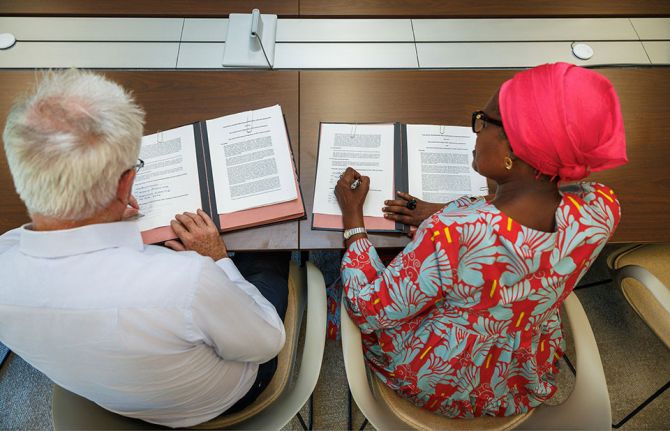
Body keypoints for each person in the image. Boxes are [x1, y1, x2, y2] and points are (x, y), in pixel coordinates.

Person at [335, 62, 627, 417]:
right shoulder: (602, 208)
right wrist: (456, 208)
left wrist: (353, 218)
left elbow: (369, 311)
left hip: (438, 375)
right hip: (518, 369)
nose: (475, 132)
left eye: (482, 122)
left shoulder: (454, 235)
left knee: (344, 289)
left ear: (514, 150)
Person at [0, 69, 288, 428]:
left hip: (114, 398)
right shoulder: (187, 281)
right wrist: (217, 258)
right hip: (219, 398)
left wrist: (106, 214)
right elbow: (266, 344)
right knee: (270, 256)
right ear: (126, 185)